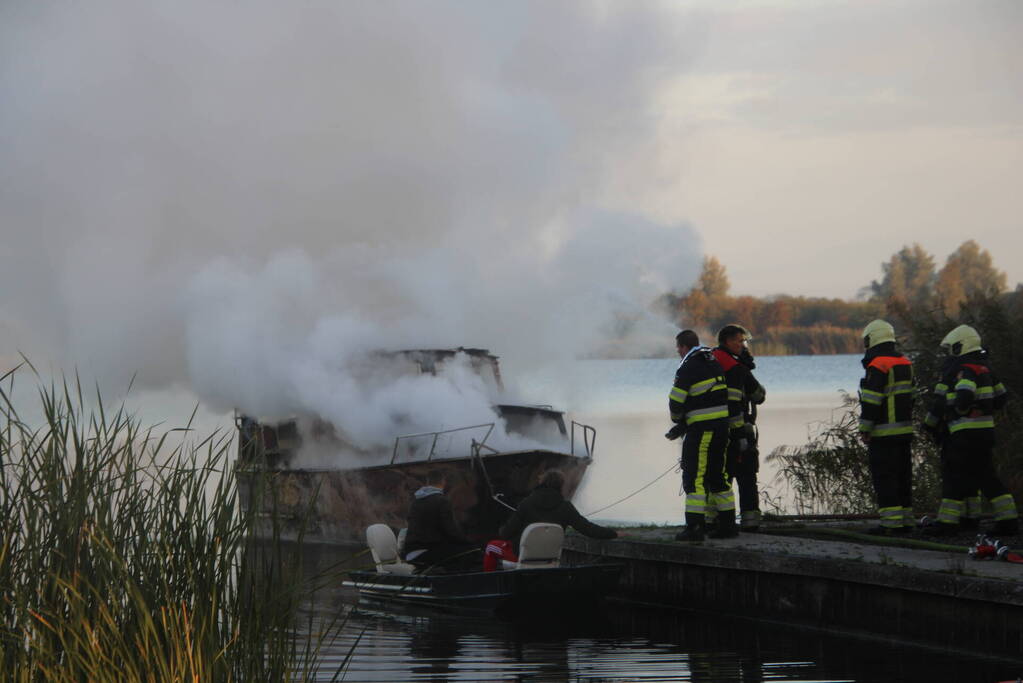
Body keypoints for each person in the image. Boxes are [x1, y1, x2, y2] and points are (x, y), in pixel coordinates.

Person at [923, 325, 1018, 536]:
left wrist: (958, 410)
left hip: (963, 433)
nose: (950, 353)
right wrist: (984, 409)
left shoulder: (963, 369)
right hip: (985, 433)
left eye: (952, 348)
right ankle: (1008, 520)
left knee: (955, 477)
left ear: (960, 346)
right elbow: (1001, 397)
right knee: (986, 476)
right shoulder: (985, 369)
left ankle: (947, 524)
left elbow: (961, 397)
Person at [666, 330, 734, 541]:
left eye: (678, 347)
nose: (678, 351)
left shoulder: (688, 366)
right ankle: (728, 525)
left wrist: (678, 421)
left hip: (702, 430)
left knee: (694, 477)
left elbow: (676, 402)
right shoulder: (712, 361)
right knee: (718, 475)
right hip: (722, 429)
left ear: (684, 346)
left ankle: (695, 528)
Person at [858, 319, 915, 535]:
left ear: (872, 339)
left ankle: (891, 525)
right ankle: (906, 522)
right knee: (903, 477)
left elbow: (871, 400)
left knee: (885, 478)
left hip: (883, 433)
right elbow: (913, 397)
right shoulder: (906, 363)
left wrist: (865, 428)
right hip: (904, 432)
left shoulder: (878, 365)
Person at [712, 324, 767, 532]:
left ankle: (716, 520)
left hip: (714, 431)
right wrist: (740, 435)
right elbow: (758, 396)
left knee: (718, 476)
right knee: (746, 476)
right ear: (727, 341)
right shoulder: (736, 368)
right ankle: (750, 521)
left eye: (744, 341)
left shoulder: (712, 361)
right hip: (739, 433)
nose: (743, 345)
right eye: (739, 341)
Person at [498, 470, 617, 554]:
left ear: (542, 483)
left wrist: (502, 530)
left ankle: (492, 586)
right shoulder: (566, 507)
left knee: (491, 547)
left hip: (522, 555)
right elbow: (587, 528)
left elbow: (505, 534)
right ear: (561, 485)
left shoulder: (526, 504)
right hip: (550, 556)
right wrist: (613, 533)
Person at [403, 470, 480, 570]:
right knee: (471, 552)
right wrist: (468, 542)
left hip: (410, 552)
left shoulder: (416, 501)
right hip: (426, 552)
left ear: (427, 482)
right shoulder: (442, 501)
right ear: (443, 482)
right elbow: (451, 531)